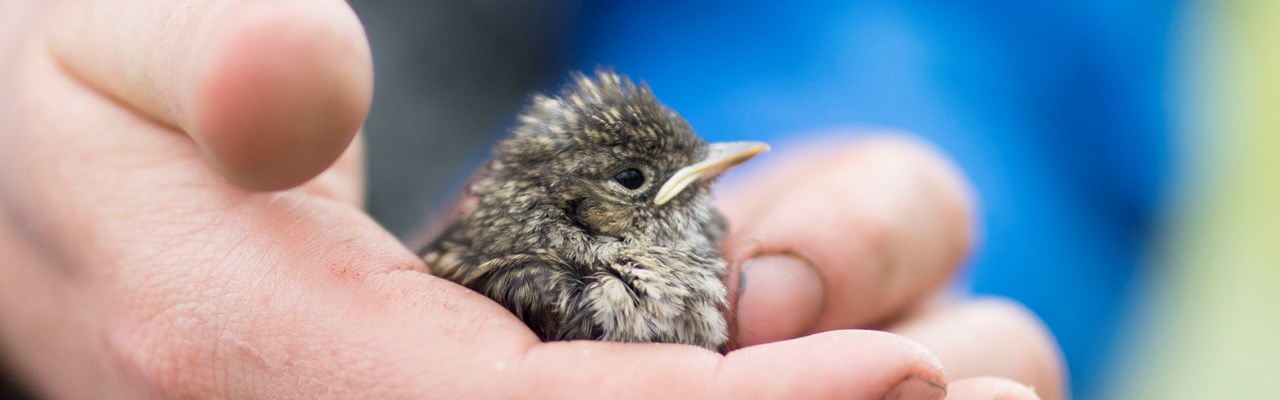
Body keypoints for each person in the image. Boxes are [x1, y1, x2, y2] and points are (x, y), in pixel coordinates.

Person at [0, 1, 1061, 399]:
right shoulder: (524, 277)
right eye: (643, 181)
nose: (699, 182)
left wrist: (875, 246)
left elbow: (961, 36)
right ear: (586, 209)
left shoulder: (707, 261)